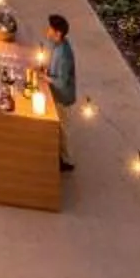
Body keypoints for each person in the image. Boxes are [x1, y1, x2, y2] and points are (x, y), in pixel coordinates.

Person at [44, 14, 79, 172]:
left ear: (58, 33)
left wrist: (46, 78)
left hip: (62, 97)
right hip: (56, 93)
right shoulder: (58, 45)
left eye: (50, 29)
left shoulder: (64, 55)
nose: (48, 31)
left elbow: (62, 82)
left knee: (62, 129)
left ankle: (65, 160)